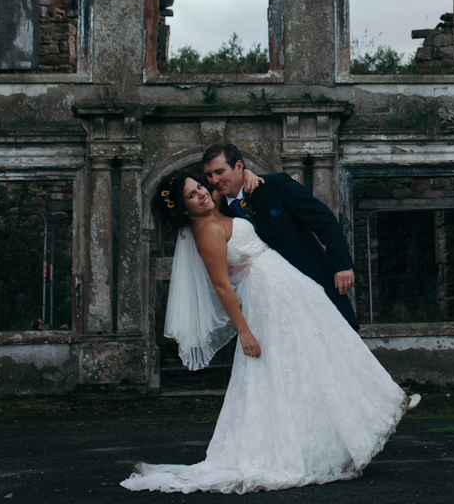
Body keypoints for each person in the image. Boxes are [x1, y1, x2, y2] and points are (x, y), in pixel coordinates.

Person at [122, 168, 417, 493]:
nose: (203, 193)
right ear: (182, 209)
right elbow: (222, 286)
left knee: (321, 352)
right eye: (191, 195)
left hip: (286, 287)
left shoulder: (214, 205)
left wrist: (247, 171)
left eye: (200, 187)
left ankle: (373, 408)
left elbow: (228, 183)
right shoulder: (205, 230)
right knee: (287, 371)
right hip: (267, 303)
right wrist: (245, 332)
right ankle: (339, 432)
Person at [201, 142, 360, 329]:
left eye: (219, 172)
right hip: (271, 303)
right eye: (209, 175)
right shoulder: (219, 213)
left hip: (313, 281)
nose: (213, 180)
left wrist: (342, 265)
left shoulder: (275, 185)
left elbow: (323, 219)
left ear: (238, 167)